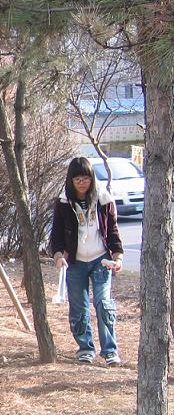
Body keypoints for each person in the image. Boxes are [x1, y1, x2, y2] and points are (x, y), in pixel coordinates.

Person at [49, 156, 124, 366]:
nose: (82, 183)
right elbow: (56, 236)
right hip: (75, 262)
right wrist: (58, 255)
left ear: (92, 179)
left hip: (101, 260)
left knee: (103, 304)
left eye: (86, 178)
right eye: (77, 179)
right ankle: (85, 348)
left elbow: (113, 231)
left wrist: (117, 256)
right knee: (79, 307)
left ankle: (110, 351)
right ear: (70, 181)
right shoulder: (64, 202)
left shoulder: (103, 199)